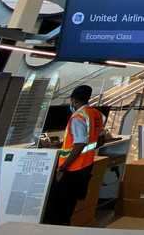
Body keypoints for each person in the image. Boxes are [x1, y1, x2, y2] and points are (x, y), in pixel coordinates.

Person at [42, 85, 105, 225]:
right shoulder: (96, 114)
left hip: (72, 169)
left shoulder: (77, 117)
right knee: (69, 205)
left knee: (57, 208)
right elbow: (99, 139)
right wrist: (59, 145)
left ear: (74, 100)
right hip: (86, 166)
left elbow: (80, 144)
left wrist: (62, 168)